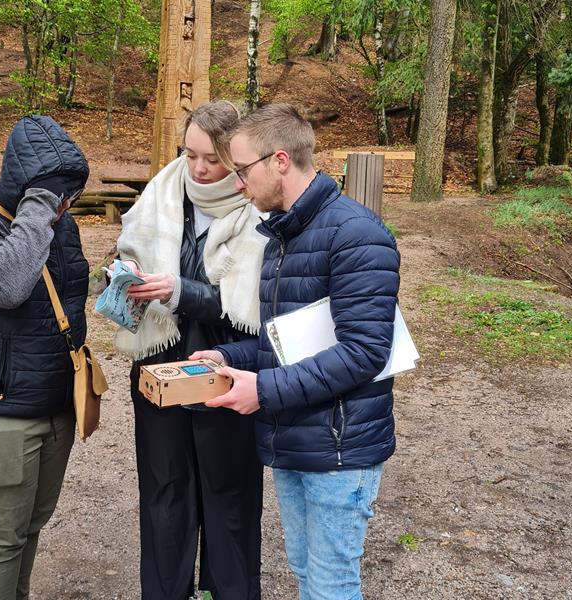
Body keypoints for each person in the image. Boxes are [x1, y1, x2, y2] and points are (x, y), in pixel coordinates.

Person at [192, 103, 401, 600]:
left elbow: (364, 352)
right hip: (294, 438)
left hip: (339, 447)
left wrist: (263, 390)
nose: (238, 183)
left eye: (243, 170)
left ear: (280, 161)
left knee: (330, 585)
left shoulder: (356, 235)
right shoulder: (282, 235)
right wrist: (230, 359)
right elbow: (284, 341)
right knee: (308, 574)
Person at [114, 100, 267, 600]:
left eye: (212, 159)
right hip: (160, 364)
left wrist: (182, 291)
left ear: (236, 157)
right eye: (190, 154)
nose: (198, 169)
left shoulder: (256, 206)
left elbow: (254, 304)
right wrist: (123, 278)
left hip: (227, 365)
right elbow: (131, 250)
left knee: (229, 497)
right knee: (164, 492)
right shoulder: (162, 192)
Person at [0, 115, 90, 600]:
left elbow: (63, 299)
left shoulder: (58, 226)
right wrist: (40, 205)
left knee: (29, 528)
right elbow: (6, 285)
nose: (66, 205)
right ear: (26, 186)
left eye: (70, 195)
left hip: (53, 403)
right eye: (58, 194)